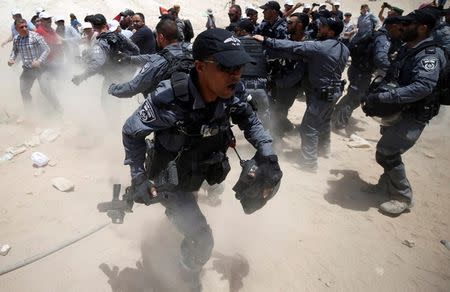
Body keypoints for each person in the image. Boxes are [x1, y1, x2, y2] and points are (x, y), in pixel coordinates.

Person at [122, 28, 282, 291]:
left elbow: (250, 121)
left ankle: (179, 220)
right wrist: (138, 177)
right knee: (202, 240)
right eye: (227, 67)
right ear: (200, 66)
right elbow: (131, 131)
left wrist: (268, 153)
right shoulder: (170, 100)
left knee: (199, 196)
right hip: (171, 179)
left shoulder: (234, 90)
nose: (236, 75)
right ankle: (184, 274)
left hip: (203, 167)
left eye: (239, 67)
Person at [361, 8, 446, 215]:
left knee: (387, 152)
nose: (402, 27)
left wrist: (386, 96)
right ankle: (386, 186)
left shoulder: (430, 54)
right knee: (388, 152)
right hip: (398, 110)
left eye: (408, 25)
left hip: (414, 114)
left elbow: (423, 87)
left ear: (423, 28)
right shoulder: (410, 47)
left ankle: (402, 196)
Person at [255, 16, 349, 171]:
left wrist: (266, 40)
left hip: (322, 93)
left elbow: (293, 46)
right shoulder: (343, 48)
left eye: (323, 26)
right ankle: (324, 151)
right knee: (324, 122)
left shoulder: (320, 47)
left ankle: (309, 163)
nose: (319, 27)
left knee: (308, 127)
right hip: (334, 92)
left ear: (331, 32)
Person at [332, 16, 403, 130]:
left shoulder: (377, 35)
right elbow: (380, 59)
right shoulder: (383, 39)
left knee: (352, 95)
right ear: (393, 26)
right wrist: (392, 69)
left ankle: (335, 116)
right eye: (400, 29)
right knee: (354, 97)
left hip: (358, 69)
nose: (401, 32)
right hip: (361, 72)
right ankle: (338, 122)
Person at [108, 18, 189, 98]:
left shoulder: (157, 63)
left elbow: (133, 88)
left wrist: (112, 89)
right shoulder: (187, 51)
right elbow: (150, 57)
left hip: (162, 107)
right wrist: (130, 59)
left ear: (161, 37)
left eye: (156, 36)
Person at [71, 14, 139, 108]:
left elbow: (96, 64)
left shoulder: (100, 43)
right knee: (117, 103)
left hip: (111, 78)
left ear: (93, 27)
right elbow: (136, 50)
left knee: (107, 104)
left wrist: (82, 77)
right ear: (105, 24)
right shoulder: (119, 36)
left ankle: (114, 122)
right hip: (124, 76)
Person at [8, 19, 62, 115]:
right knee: (24, 91)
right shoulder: (16, 39)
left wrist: (39, 61)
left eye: (26, 26)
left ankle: (59, 110)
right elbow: (15, 51)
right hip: (27, 69)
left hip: (41, 69)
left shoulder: (35, 36)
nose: (25, 28)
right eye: (22, 27)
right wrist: (11, 59)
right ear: (16, 28)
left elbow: (47, 49)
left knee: (46, 90)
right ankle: (30, 114)